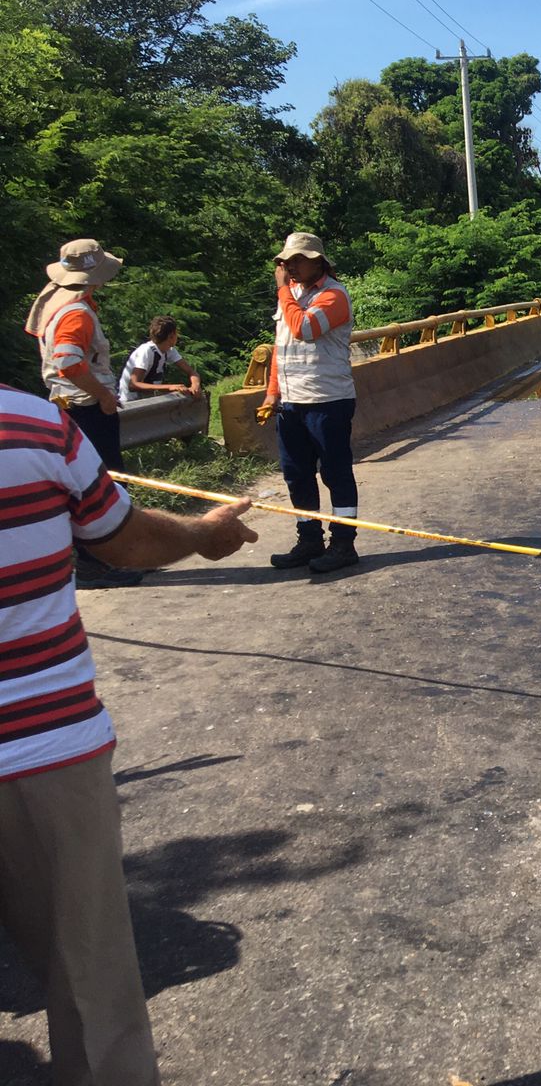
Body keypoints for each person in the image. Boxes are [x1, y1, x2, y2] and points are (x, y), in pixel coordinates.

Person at [0, 383, 258, 1085]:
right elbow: (126, 541)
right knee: (89, 984)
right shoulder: (32, 427)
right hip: (38, 744)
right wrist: (205, 534)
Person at [24, 238, 142, 588]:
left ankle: (100, 560)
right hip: (87, 407)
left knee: (87, 485)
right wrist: (104, 395)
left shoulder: (56, 302)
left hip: (68, 406)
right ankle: (99, 563)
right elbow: (68, 362)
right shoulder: (76, 311)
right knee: (105, 486)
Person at [261, 232, 360, 573]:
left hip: (327, 400)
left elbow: (304, 328)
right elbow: (282, 346)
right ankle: (309, 539)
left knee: (335, 472)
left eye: (298, 260)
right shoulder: (291, 296)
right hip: (291, 401)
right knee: (297, 475)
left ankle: (344, 544)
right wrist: (273, 391)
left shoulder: (334, 295)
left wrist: (282, 290)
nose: (290, 266)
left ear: (318, 260)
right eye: (286, 262)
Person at [118, 316, 202, 405]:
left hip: (147, 401)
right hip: (130, 403)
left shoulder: (169, 350)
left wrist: (195, 386)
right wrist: (170, 387)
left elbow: (191, 372)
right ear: (171, 336)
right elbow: (133, 385)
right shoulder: (146, 351)